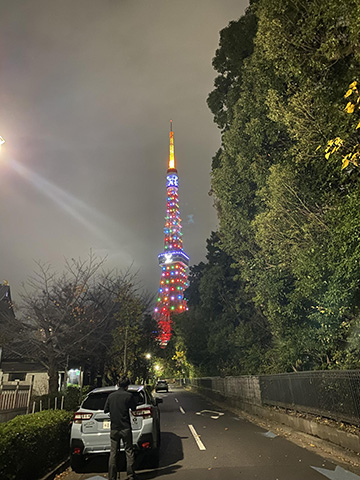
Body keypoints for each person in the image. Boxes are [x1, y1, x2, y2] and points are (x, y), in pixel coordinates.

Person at [104, 375, 138, 480]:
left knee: (113, 453)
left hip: (114, 428)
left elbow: (106, 410)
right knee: (129, 451)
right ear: (127, 386)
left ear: (118, 384)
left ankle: (112, 476)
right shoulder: (128, 396)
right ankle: (130, 475)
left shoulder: (111, 396)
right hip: (125, 428)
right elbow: (134, 408)